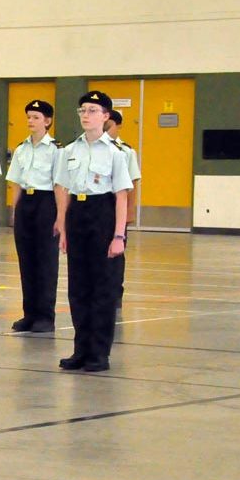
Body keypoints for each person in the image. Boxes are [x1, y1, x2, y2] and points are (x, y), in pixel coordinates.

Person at [54, 91, 132, 372]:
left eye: (92, 110)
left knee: (102, 289)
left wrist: (119, 235)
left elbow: (122, 196)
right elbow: (63, 190)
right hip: (78, 215)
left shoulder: (115, 153)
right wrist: (63, 228)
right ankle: (81, 350)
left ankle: (99, 353)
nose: (86, 115)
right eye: (83, 110)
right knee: (78, 288)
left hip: (103, 214)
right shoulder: (69, 151)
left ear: (105, 116)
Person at [6, 99, 61, 333]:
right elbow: (15, 182)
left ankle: (45, 316)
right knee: (26, 260)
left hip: (46, 202)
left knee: (45, 262)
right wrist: (15, 211)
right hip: (26, 204)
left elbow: (60, 185)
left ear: (47, 121)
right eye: (29, 116)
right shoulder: (21, 149)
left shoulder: (56, 150)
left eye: (36, 117)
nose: (31, 121)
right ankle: (29, 314)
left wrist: (60, 216)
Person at [104, 109, 141, 315]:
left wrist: (130, 212)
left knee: (116, 253)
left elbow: (132, 184)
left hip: (118, 204)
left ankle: (116, 292)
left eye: (109, 125)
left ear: (117, 125)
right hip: (98, 204)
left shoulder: (126, 151)